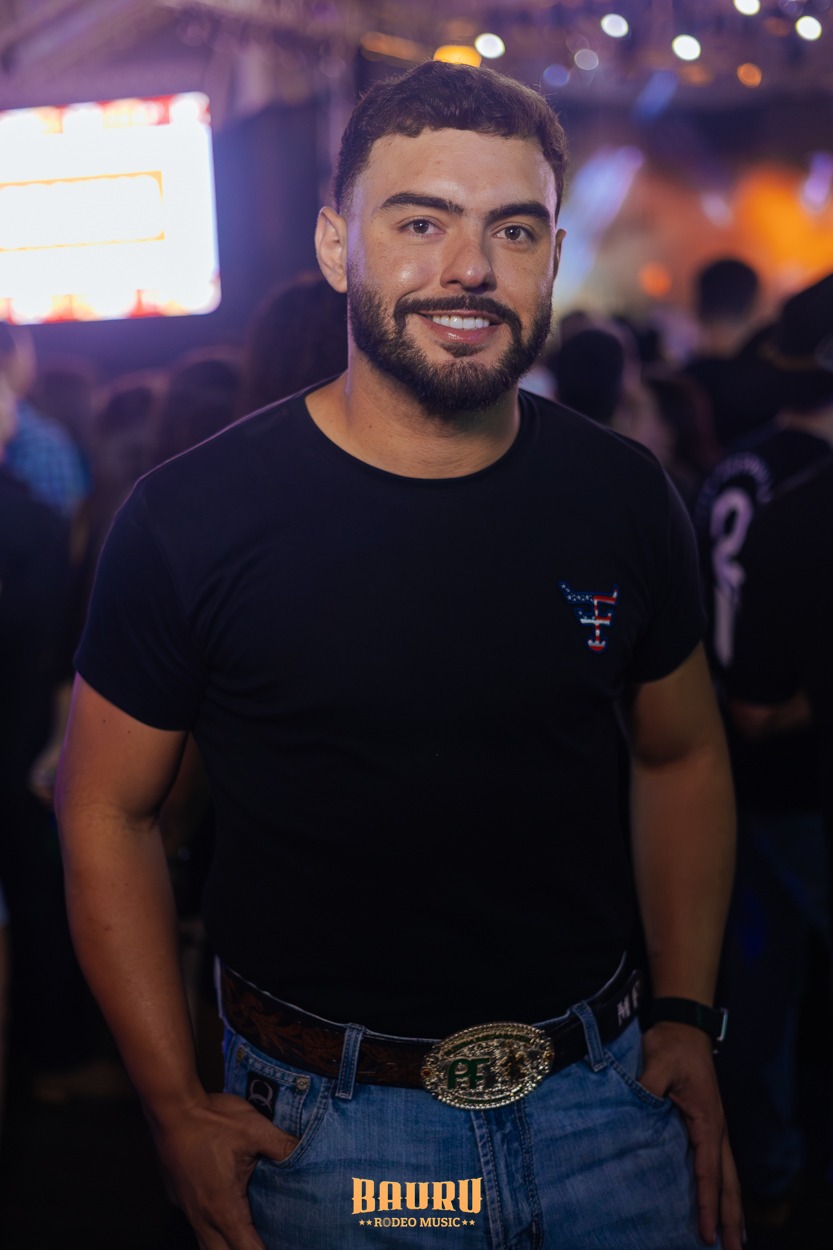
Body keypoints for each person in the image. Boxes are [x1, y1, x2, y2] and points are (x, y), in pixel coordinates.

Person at [56, 61, 741, 1250]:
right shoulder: (190, 518)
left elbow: (678, 754)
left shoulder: (623, 494)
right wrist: (172, 1103)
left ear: (551, 255)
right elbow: (105, 810)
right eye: (419, 223)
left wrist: (684, 1012)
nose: (468, 268)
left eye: (510, 230)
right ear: (336, 245)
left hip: (606, 1107)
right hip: (336, 1144)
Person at [694, 272, 833, 1229]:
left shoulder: (732, 467)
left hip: (733, 782)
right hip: (796, 780)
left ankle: (772, 1170)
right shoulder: (811, 493)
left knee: (761, 987)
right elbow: (766, 703)